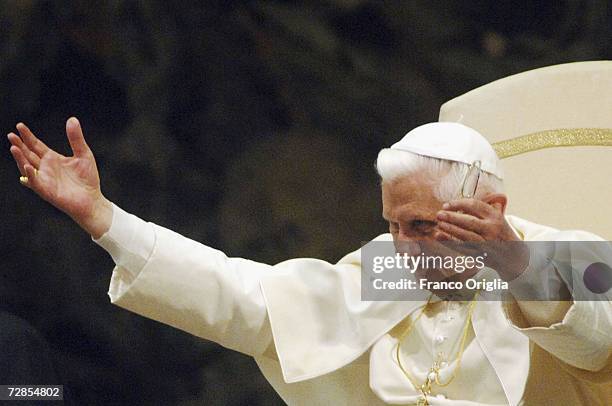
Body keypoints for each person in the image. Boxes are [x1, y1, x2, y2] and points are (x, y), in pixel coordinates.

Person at [7, 118, 611, 405]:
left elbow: (599, 341)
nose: (403, 245)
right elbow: (249, 300)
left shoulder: (566, 256)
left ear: (491, 205)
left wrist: (517, 264)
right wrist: (105, 218)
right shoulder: (391, 267)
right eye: (392, 224)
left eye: (424, 225)